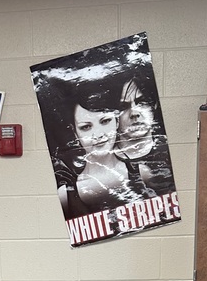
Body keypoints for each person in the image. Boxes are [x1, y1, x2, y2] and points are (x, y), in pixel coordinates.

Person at [53, 82, 148, 219]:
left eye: (105, 121)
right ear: (75, 132)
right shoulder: (65, 196)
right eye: (86, 127)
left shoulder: (143, 174)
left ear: (116, 122)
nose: (98, 135)